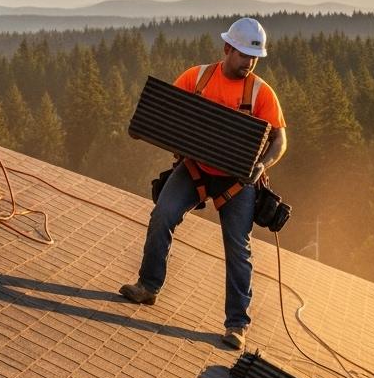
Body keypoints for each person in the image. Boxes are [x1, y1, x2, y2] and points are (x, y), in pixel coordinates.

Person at [120, 18, 288, 351]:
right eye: (243, 55)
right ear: (227, 48)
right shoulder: (196, 79)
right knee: (162, 216)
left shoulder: (260, 93)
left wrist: (263, 164)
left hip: (237, 180)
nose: (249, 63)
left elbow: (280, 138)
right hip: (195, 168)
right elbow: (166, 112)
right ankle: (148, 286)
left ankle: (237, 324)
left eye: (253, 58)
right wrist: (144, 128)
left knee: (238, 247)